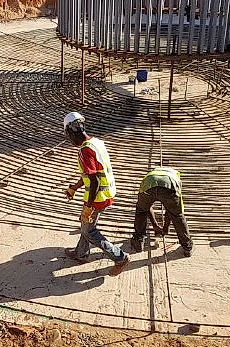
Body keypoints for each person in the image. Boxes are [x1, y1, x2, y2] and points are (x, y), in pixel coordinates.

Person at [62, 112, 130, 276]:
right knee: (86, 225)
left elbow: (94, 181)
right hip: (108, 193)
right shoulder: (96, 143)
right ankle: (81, 253)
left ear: (71, 133)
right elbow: (91, 174)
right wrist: (75, 187)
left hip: (97, 197)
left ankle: (119, 257)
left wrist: (88, 207)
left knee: (89, 230)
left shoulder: (84, 151)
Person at [130, 167, 193, 257]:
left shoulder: (150, 174)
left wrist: (155, 225)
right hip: (169, 185)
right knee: (177, 215)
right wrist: (166, 227)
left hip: (149, 184)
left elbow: (147, 207)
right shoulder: (176, 177)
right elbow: (172, 210)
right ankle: (187, 248)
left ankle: (138, 242)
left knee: (141, 211)